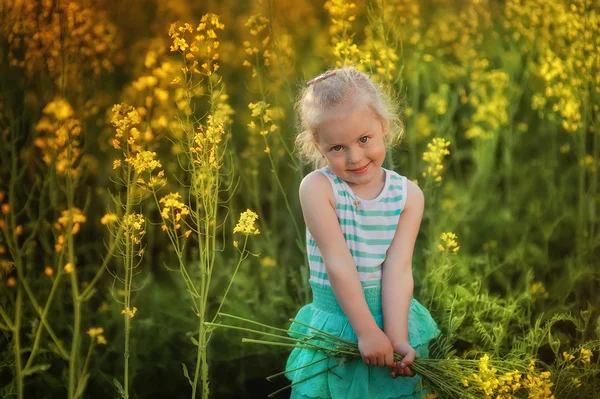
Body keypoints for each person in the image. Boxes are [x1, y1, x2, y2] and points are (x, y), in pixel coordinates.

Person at [285, 66, 440, 399]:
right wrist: (367, 332)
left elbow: (398, 270)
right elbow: (338, 264)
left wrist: (396, 338)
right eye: (337, 148)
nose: (355, 157)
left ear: (383, 126)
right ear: (318, 144)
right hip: (339, 326)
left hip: (392, 318)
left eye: (364, 139)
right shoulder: (318, 188)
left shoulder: (408, 196)